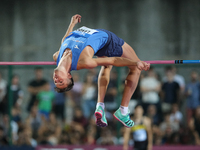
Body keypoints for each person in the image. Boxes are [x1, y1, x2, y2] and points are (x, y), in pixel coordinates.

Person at [53, 14, 150, 128]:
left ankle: (100, 106)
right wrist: (135, 63)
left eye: (56, 82)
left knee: (106, 66)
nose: (56, 80)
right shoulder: (84, 61)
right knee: (135, 69)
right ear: (69, 75)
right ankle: (123, 110)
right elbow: (114, 60)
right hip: (109, 41)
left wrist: (72, 24)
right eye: (61, 82)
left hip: (97, 44)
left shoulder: (57, 56)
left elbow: (65, 40)